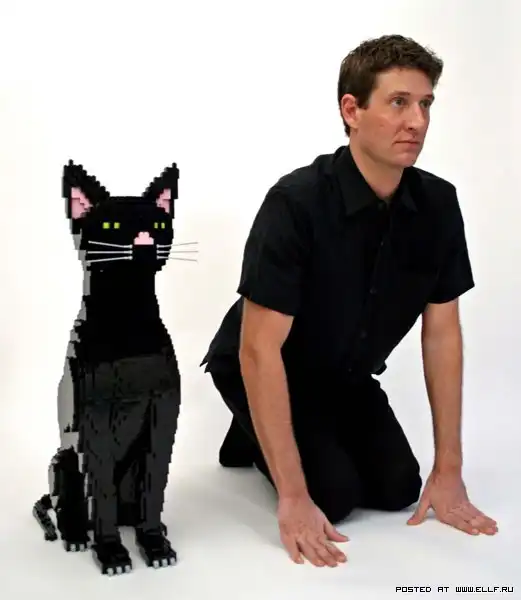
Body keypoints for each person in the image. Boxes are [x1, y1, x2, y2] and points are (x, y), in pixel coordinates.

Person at [200, 34, 498, 568]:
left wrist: (449, 470)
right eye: (398, 102)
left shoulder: (438, 204)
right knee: (331, 497)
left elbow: (442, 334)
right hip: (265, 364)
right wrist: (293, 496)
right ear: (351, 110)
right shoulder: (295, 203)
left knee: (397, 487)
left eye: (425, 104)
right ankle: (254, 429)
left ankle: (268, 434)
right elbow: (258, 351)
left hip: (345, 375)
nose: (417, 122)